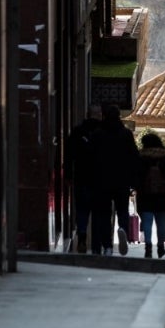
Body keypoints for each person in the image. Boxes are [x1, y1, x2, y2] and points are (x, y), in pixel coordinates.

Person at [88, 104, 140, 256]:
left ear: (104, 116)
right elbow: (134, 157)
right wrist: (133, 180)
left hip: (101, 180)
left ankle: (107, 246)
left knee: (104, 214)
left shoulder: (97, 134)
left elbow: (90, 157)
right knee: (122, 209)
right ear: (119, 117)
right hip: (122, 180)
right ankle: (122, 228)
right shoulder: (126, 134)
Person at [64, 103, 101, 254]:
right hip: (100, 179)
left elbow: (68, 154)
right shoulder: (103, 132)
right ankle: (97, 244)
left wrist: (68, 174)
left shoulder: (77, 131)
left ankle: (82, 239)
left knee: (82, 211)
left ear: (86, 114)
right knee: (98, 212)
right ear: (99, 115)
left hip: (81, 177)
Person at [135, 132, 165, 258]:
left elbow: (135, 176)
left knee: (147, 221)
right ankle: (160, 246)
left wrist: (138, 188)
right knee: (162, 222)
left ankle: (148, 246)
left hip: (145, 195)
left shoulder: (141, 158)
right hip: (162, 195)